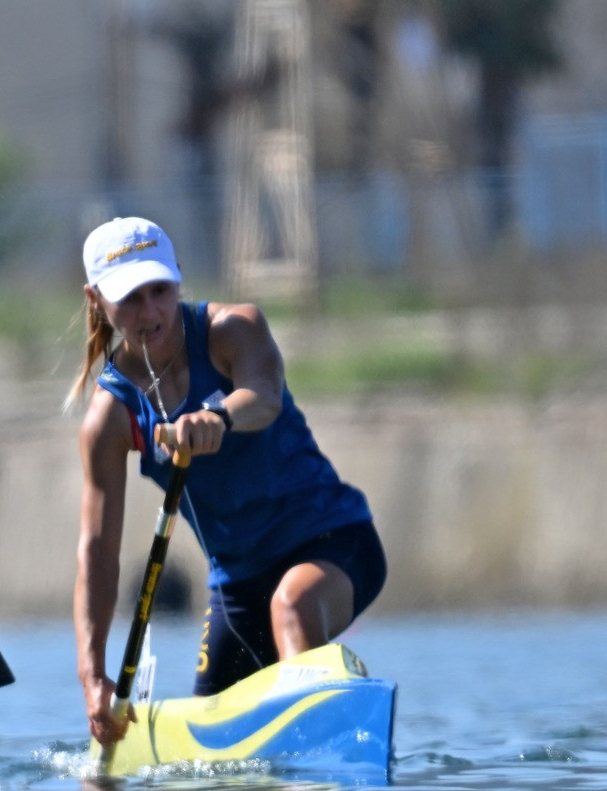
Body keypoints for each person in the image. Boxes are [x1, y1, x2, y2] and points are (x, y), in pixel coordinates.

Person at [71, 217, 385, 744]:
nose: (151, 312)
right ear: (97, 299)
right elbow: (98, 554)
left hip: (335, 541)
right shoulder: (109, 419)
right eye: (130, 298)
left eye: (160, 290)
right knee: (209, 751)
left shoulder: (233, 330)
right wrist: (92, 678)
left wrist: (216, 416)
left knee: (293, 606)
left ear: (178, 278)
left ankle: (323, 764)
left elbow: (262, 395)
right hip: (238, 589)